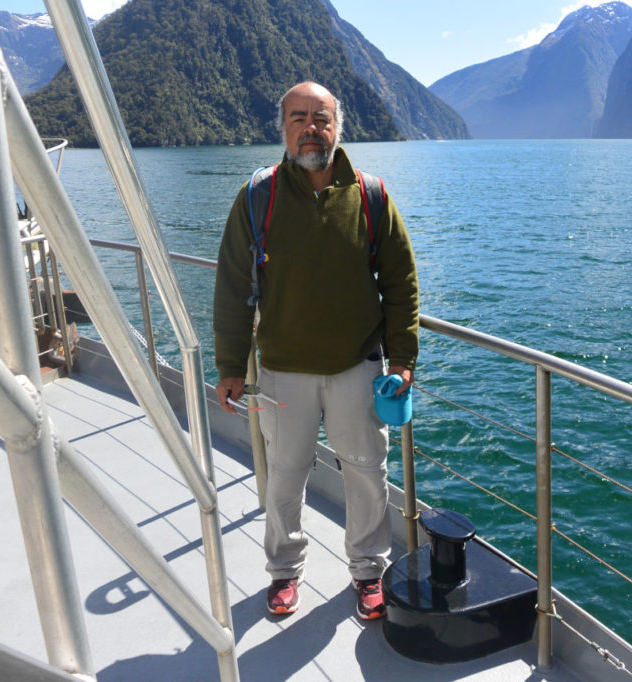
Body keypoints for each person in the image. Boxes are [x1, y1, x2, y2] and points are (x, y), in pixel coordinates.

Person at [212, 81, 419, 620]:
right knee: (284, 475)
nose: (311, 128)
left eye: (322, 119)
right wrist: (232, 367)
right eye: (299, 118)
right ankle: (284, 570)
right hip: (282, 371)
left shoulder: (371, 196)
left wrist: (402, 359)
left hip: (357, 367)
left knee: (368, 474)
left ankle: (369, 570)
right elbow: (234, 287)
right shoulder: (258, 197)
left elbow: (401, 281)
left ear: (338, 128)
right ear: (282, 128)